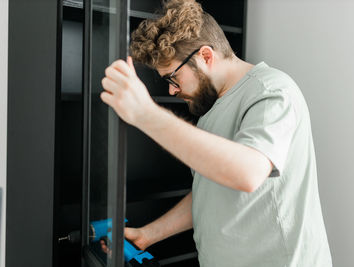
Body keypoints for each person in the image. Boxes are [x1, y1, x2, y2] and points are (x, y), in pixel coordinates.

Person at [99, 0, 333, 266]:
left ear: (206, 56)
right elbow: (212, 192)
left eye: (173, 78)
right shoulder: (211, 112)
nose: (172, 91)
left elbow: (246, 173)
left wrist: (146, 114)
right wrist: (147, 235)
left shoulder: (272, 91)